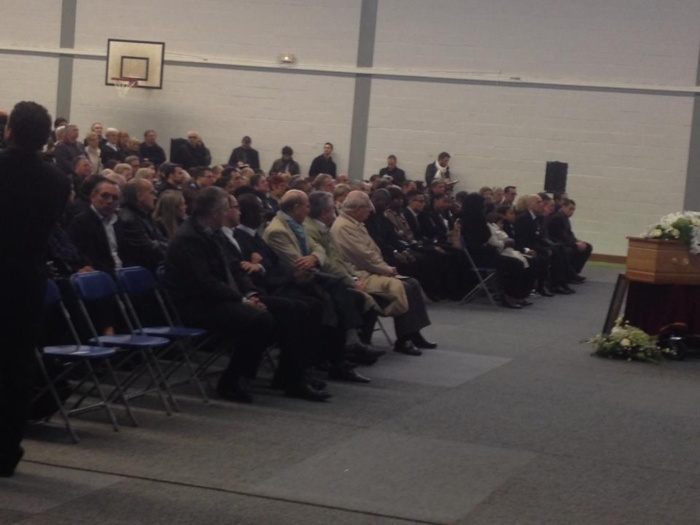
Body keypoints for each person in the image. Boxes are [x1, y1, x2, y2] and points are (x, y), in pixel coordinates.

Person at [0, 101, 71, 477]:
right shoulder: (58, 180)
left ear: (9, 131)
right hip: (27, 280)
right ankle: (7, 449)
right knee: (17, 366)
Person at [331, 191, 436, 356]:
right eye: (367, 209)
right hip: (360, 273)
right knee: (405, 287)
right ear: (357, 209)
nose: (369, 212)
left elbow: (373, 252)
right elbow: (362, 256)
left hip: (371, 269)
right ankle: (404, 339)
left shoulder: (355, 223)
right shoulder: (344, 226)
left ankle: (413, 333)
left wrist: (385, 267)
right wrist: (386, 269)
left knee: (413, 283)